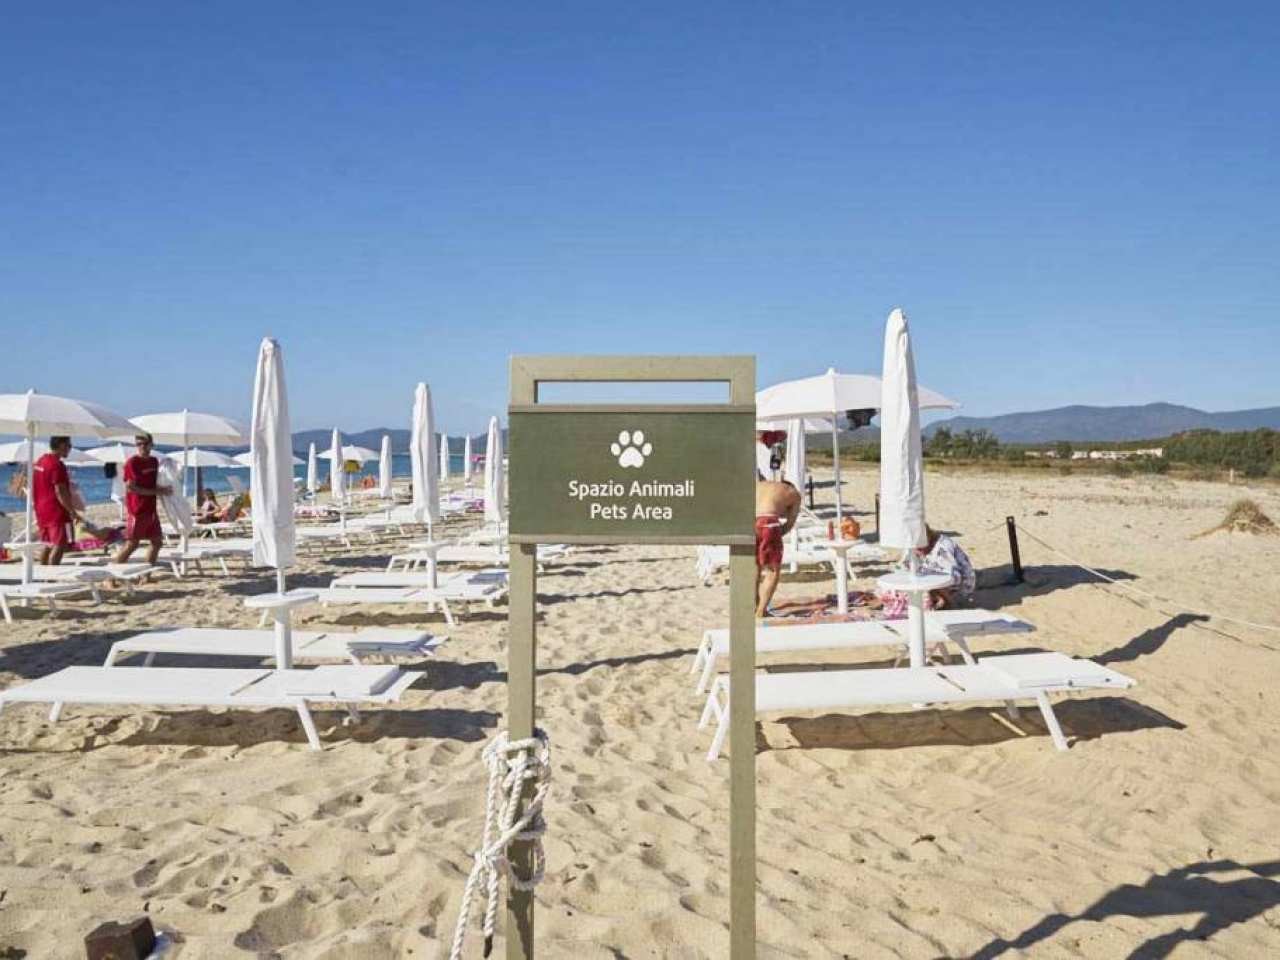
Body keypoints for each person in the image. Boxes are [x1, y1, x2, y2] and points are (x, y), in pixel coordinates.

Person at [114, 434, 170, 565]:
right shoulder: (132, 462)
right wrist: (156, 492)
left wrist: (164, 488)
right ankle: (113, 573)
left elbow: (152, 482)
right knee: (132, 543)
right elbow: (131, 487)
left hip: (151, 509)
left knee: (157, 542)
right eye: (139, 444)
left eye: (145, 444)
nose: (142, 446)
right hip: (137, 510)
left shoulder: (154, 461)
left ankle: (146, 574)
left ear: (151, 445)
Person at [32, 436, 84, 565]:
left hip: (41, 510)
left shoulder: (41, 461)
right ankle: (51, 574)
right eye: (68, 445)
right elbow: (60, 491)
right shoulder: (57, 465)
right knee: (60, 544)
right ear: (61, 445)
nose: (70, 449)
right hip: (56, 511)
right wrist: (72, 511)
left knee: (48, 543)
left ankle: (43, 571)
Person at [755, 478, 802, 617]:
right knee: (772, 571)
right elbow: (790, 523)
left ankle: (753, 605)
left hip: (750, 522)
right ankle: (761, 611)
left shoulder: (760, 485)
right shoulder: (793, 493)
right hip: (768, 523)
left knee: (755, 567)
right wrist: (779, 533)